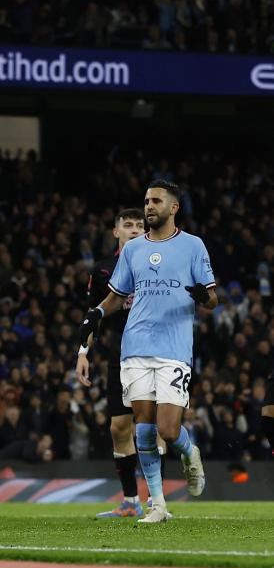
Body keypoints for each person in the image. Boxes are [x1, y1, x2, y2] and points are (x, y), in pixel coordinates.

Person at [80, 179, 216, 523]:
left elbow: (213, 298)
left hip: (173, 347)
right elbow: (114, 296)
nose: (149, 206)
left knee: (168, 431)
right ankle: (158, 506)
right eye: (146, 201)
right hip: (135, 346)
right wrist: (96, 313)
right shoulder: (133, 250)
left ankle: (189, 451)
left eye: (156, 201)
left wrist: (204, 296)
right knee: (142, 428)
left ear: (174, 207)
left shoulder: (193, 246)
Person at [75, 208, 147, 518]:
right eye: (127, 225)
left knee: (152, 427)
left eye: (139, 225)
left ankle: (158, 499)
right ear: (116, 231)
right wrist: (82, 352)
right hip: (119, 355)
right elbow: (92, 315)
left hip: (153, 353)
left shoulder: (156, 263)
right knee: (120, 428)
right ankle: (131, 501)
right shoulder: (103, 269)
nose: (133, 229)